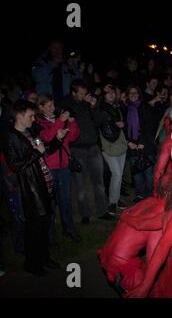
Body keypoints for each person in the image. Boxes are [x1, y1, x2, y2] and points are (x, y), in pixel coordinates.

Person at [5, 100, 61, 276]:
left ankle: (44, 258)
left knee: (43, 225)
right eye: (30, 115)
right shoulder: (11, 137)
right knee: (34, 228)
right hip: (30, 189)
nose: (33, 118)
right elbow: (15, 165)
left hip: (42, 184)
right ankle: (33, 264)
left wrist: (57, 140)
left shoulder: (29, 132)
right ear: (20, 116)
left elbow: (44, 150)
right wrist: (36, 152)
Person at [98, 177, 168, 296]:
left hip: (106, 254)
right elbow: (153, 260)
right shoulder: (161, 215)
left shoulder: (150, 200)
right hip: (120, 268)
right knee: (155, 291)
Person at [58, 79, 112, 223]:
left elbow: (100, 122)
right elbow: (64, 114)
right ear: (73, 93)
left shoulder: (89, 104)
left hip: (93, 147)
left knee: (99, 183)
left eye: (85, 93)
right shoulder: (65, 104)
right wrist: (82, 104)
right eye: (81, 93)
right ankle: (85, 214)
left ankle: (102, 211)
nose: (84, 96)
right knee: (80, 185)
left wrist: (94, 107)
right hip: (77, 149)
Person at [36, 94, 81, 242]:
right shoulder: (37, 122)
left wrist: (72, 123)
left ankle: (68, 228)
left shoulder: (57, 119)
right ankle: (49, 235)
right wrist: (60, 122)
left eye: (53, 105)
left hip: (64, 166)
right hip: (49, 167)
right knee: (50, 202)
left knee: (65, 199)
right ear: (40, 107)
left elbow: (72, 137)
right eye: (48, 105)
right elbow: (47, 138)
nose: (52, 108)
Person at [98, 84, 128, 214]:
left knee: (119, 175)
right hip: (108, 144)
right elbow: (101, 125)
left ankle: (116, 199)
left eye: (112, 92)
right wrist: (116, 125)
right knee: (116, 174)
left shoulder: (117, 108)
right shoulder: (100, 109)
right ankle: (112, 202)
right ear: (103, 95)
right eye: (108, 92)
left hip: (120, 143)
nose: (111, 94)